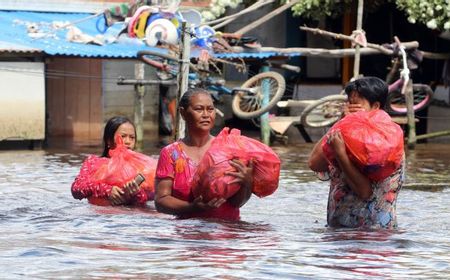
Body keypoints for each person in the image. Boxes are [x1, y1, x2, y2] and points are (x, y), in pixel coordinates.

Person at [308, 76, 405, 229]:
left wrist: (341, 155)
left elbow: (365, 192)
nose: (351, 110)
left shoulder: (384, 143)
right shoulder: (344, 135)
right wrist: (341, 122)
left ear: (376, 107)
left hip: (372, 234)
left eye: (356, 106)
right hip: (339, 231)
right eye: (349, 104)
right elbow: (314, 163)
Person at [154, 88, 254, 220]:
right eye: (199, 109)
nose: (206, 114)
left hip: (226, 232)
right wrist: (191, 207)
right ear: (183, 113)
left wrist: (247, 183)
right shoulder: (171, 153)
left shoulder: (228, 149)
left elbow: (236, 203)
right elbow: (161, 201)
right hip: (187, 233)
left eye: (210, 109)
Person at [71, 116, 152, 206]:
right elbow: (77, 188)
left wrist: (137, 193)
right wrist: (107, 190)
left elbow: (150, 197)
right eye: (123, 136)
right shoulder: (93, 162)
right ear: (109, 140)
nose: (128, 141)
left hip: (131, 216)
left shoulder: (140, 167)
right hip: (99, 218)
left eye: (132, 137)